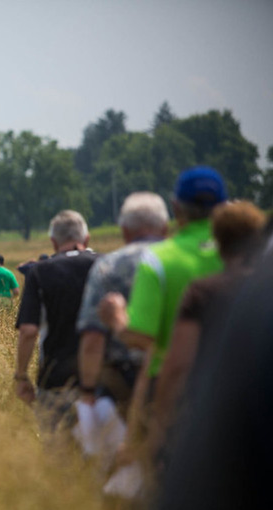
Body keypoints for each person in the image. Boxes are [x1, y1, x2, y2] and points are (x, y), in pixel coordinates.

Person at [99, 165, 227, 466]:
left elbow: (141, 337)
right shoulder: (248, 254)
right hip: (235, 382)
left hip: (172, 385)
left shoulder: (159, 260)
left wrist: (117, 318)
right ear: (223, 206)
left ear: (176, 208)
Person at [148, 201, 267, 460]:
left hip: (216, 414)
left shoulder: (204, 292)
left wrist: (159, 424)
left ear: (218, 240)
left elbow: (178, 365)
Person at [76, 192, 169, 418]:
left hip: (121, 383)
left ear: (125, 231)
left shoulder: (108, 266)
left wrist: (87, 391)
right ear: (165, 228)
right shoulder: (181, 261)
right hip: (180, 375)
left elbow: (93, 336)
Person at [14, 210, 97, 433]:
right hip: (103, 377)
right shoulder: (106, 265)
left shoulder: (40, 272)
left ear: (53, 242)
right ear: (86, 239)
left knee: (57, 455)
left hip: (56, 378)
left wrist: (21, 375)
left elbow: (29, 331)